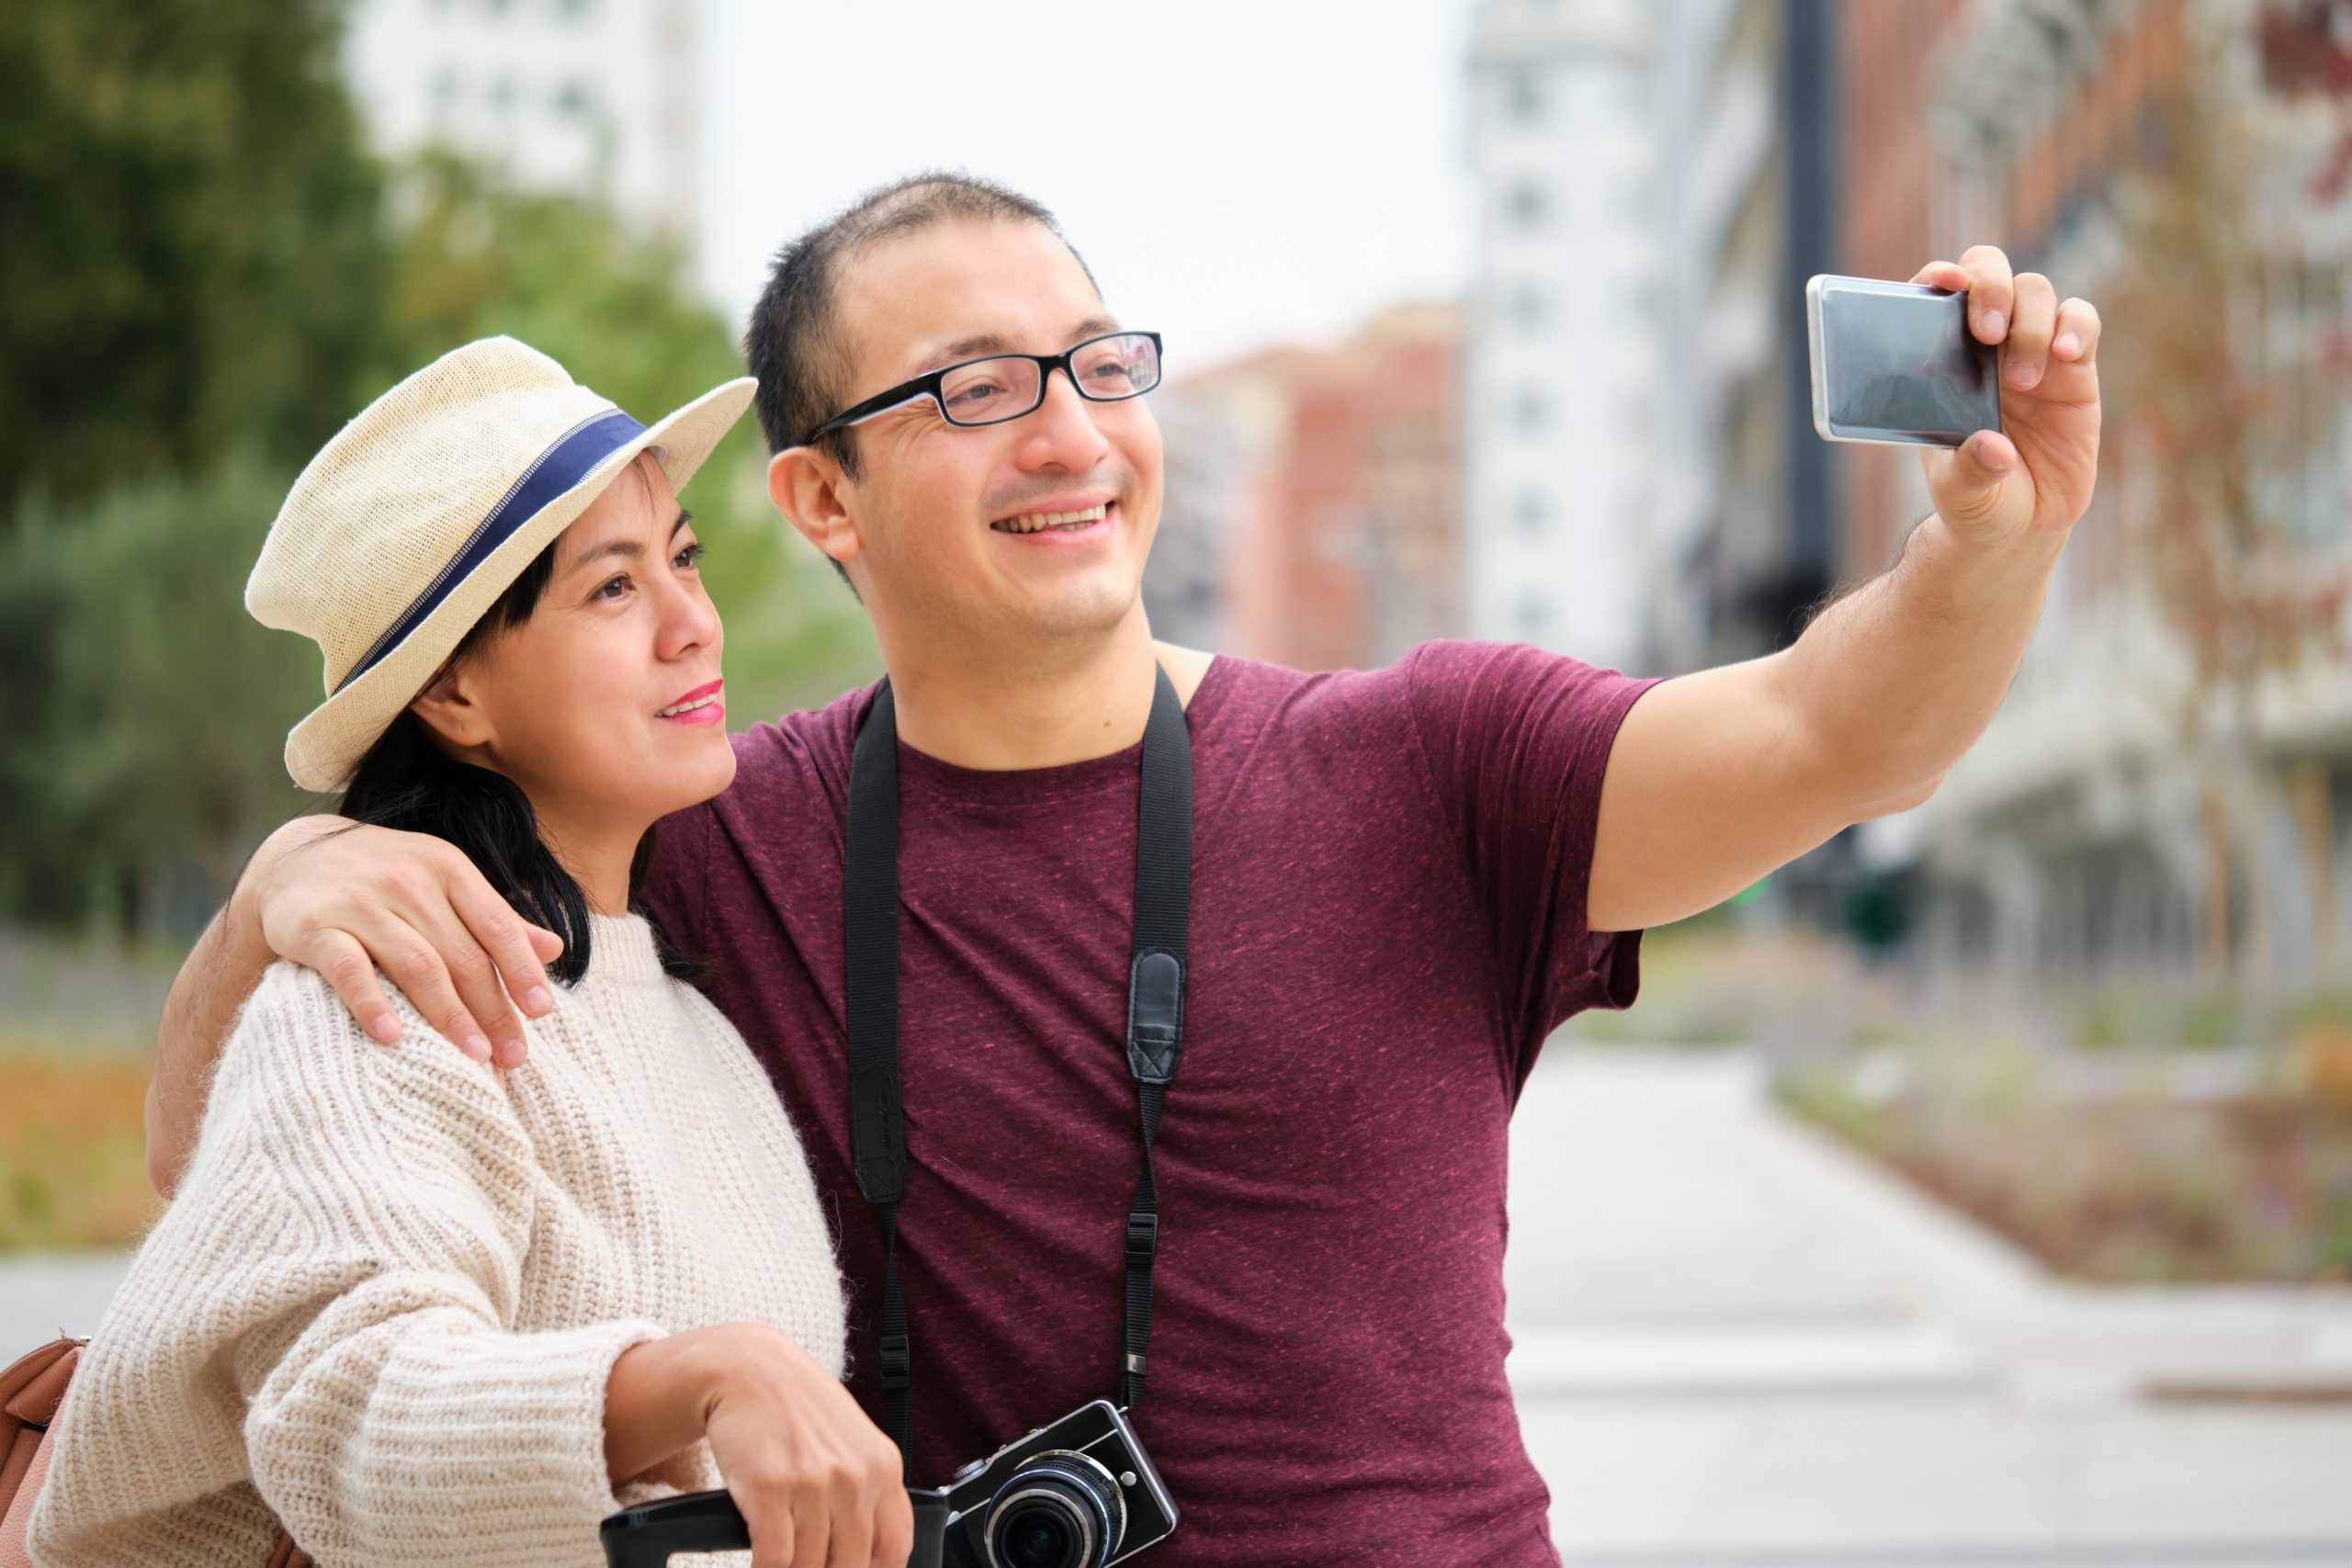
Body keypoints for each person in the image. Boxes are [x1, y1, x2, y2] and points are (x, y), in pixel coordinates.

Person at [143, 175, 2103, 1567]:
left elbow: (1836, 733)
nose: (1069, 430)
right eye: (975, 387)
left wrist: (1991, 540)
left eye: (1098, 360)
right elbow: (235, 1188)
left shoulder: (1423, 764)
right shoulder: (707, 838)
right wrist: (284, 890)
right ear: (819, 495)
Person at [32, 340, 913, 1568]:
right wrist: (699, 1379)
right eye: (614, 589)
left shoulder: (697, 1025)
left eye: (684, 559)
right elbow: (352, 1413)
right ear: (451, 695)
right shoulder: (384, 987)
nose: (693, 625)